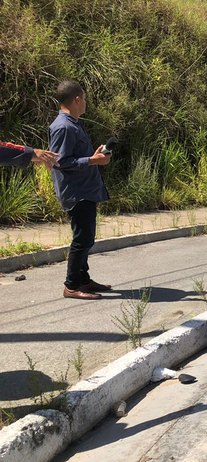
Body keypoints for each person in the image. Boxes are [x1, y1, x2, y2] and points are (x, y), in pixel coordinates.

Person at [48, 80, 112, 300]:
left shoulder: (73, 123)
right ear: (77, 99)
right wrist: (93, 161)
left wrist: (93, 156)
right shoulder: (63, 126)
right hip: (76, 192)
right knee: (82, 239)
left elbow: (75, 156)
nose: (85, 103)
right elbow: (60, 162)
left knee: (86, 237)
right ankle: (72, 285)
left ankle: (83, 279)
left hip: (84, 189)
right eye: (84, 98)